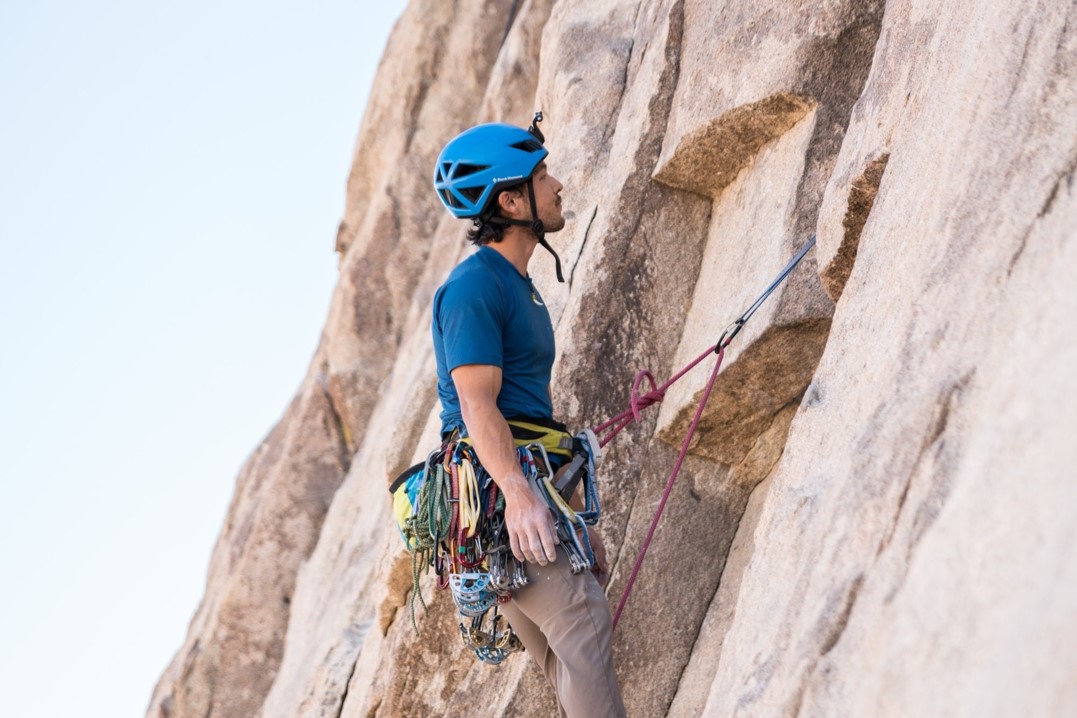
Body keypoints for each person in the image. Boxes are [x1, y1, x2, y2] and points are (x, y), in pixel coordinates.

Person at [431, 113, 626, 717]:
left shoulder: (518, 286)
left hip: (522, 497)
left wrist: (564, 511)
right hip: (503, 500)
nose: (558, 184)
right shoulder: (473, 288)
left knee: (571, 659)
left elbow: (524, 414)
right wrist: (520, 496)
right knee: (585, 636)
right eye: (542, 176)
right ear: (512, 201)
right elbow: (476, 405)